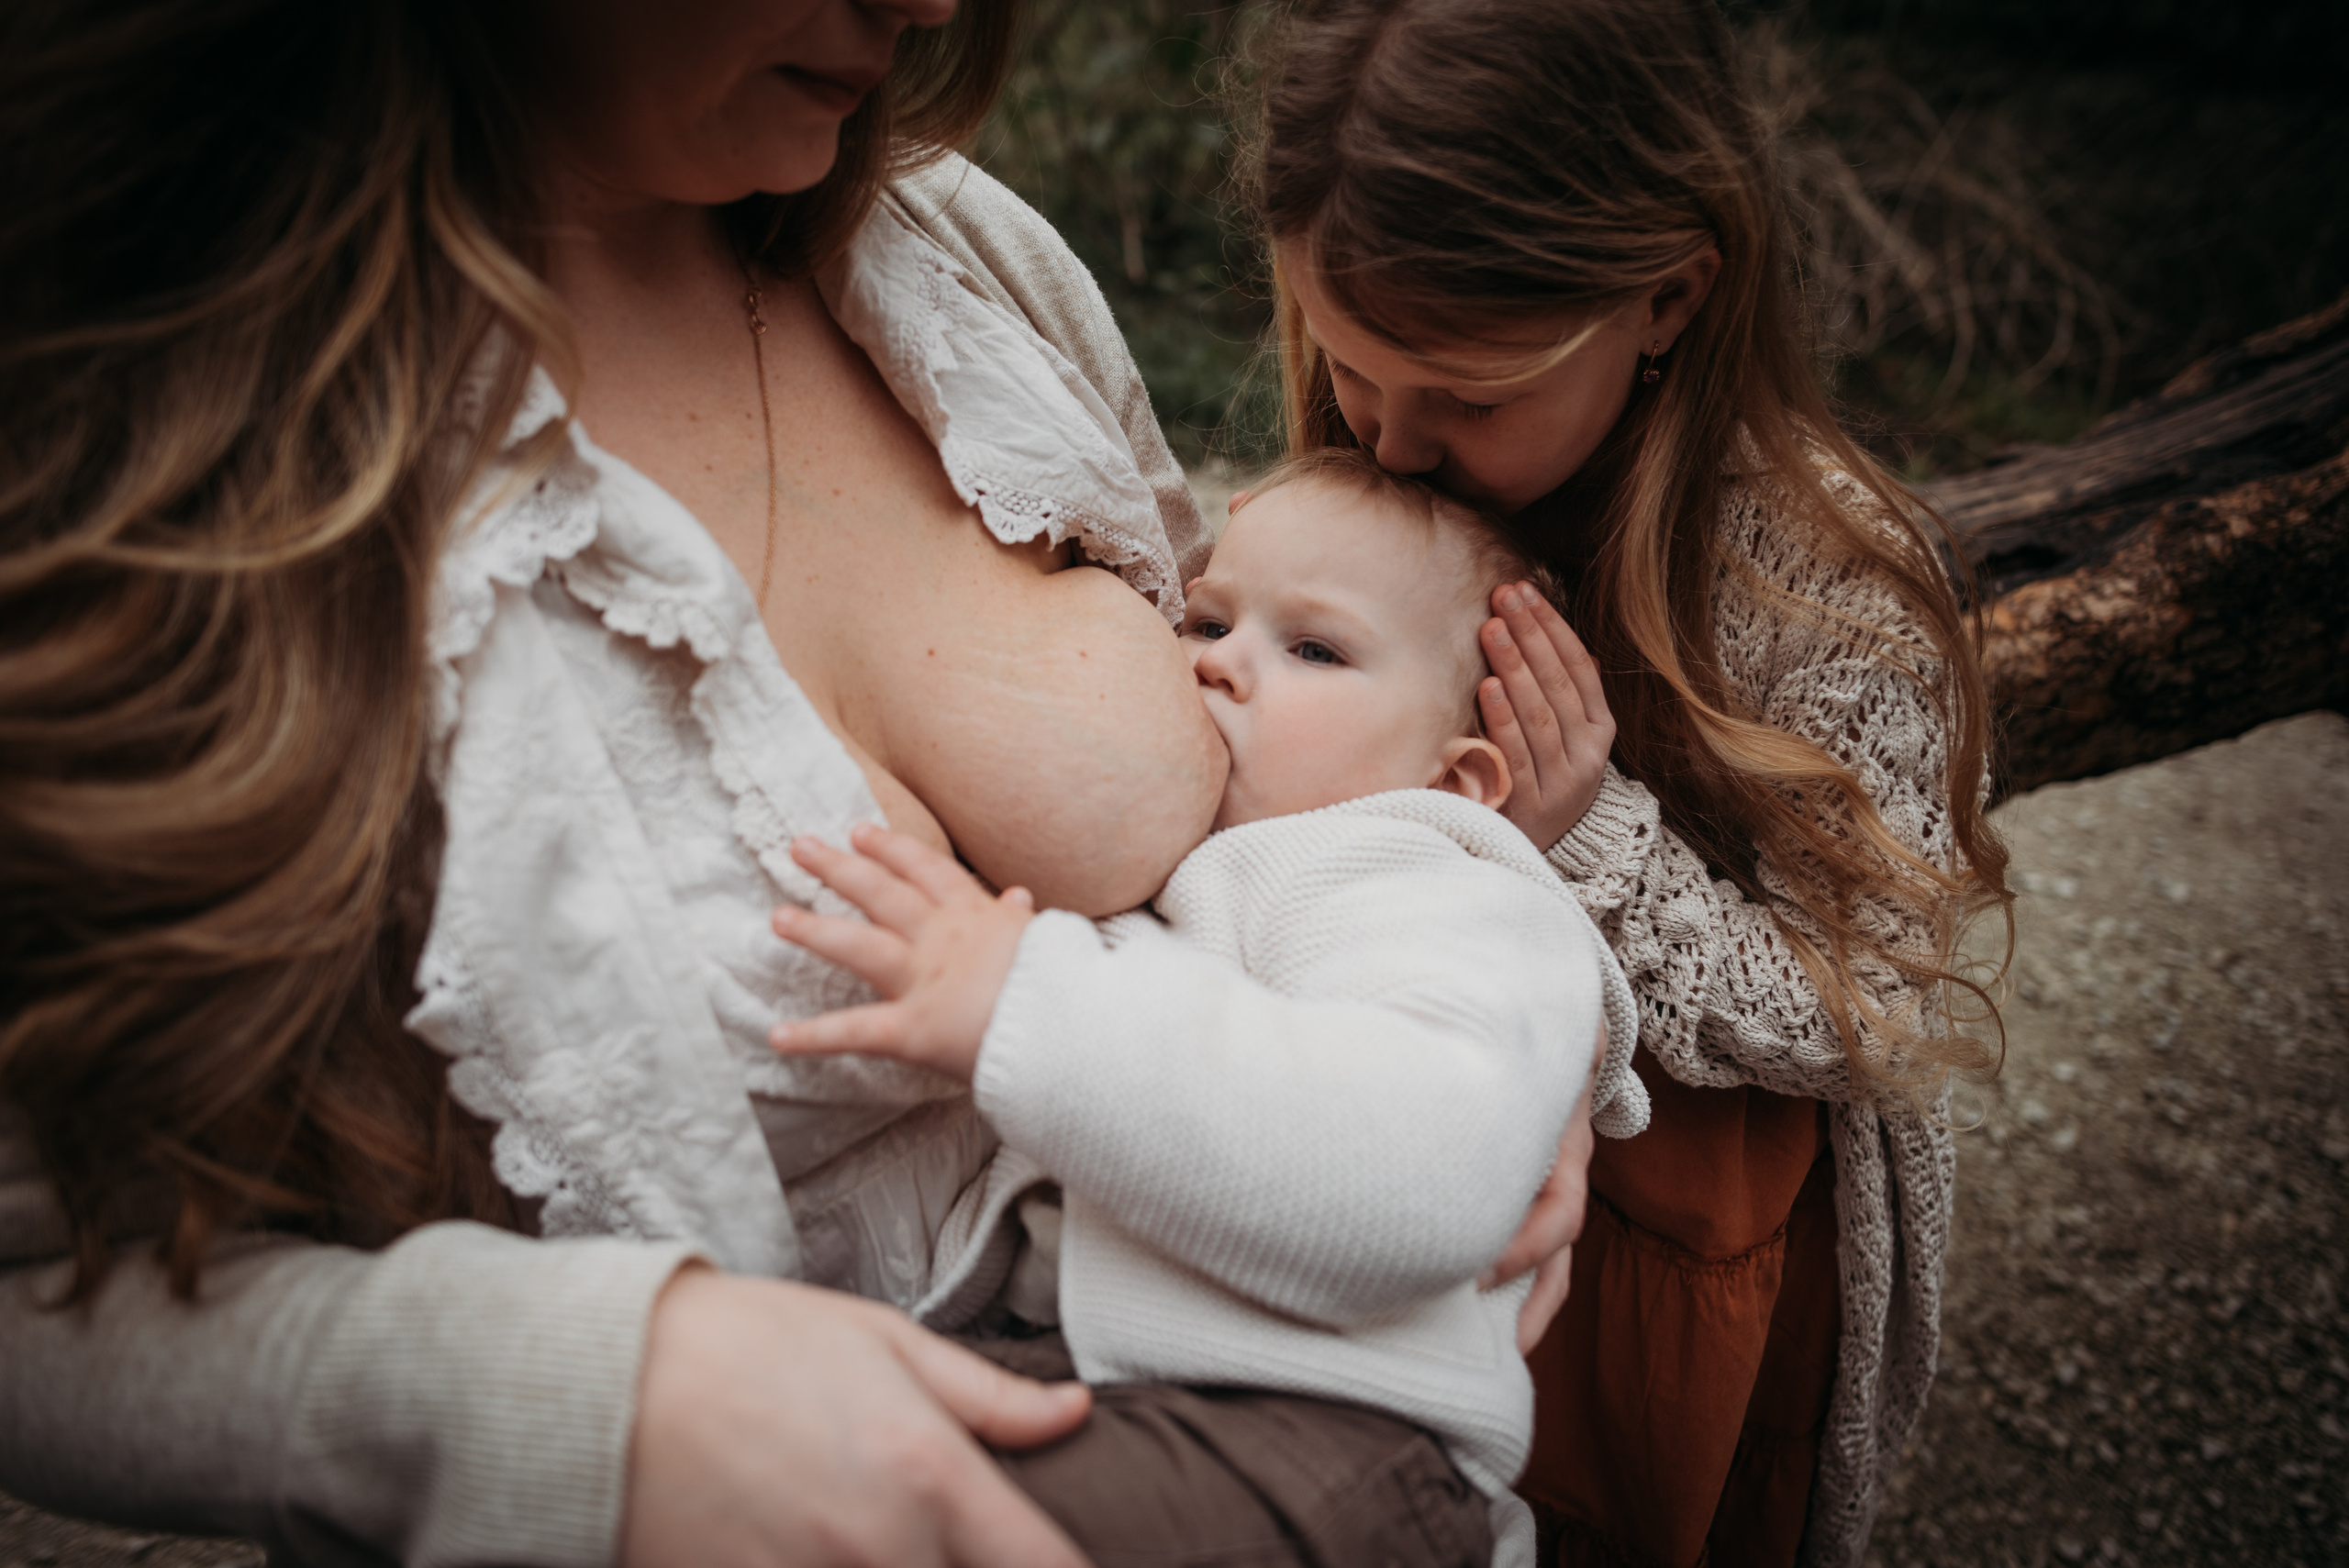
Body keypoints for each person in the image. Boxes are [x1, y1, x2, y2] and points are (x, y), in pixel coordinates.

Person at [0, 3, 1589, 1563]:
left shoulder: (962, 257)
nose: (929, 5)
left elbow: (1289, 730)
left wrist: (1482, 1040)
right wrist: (580, 1387)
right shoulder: (137, 449)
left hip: (1273, 1405)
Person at [1248, 3, 2014, 1564]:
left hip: (1688, 1264)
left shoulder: (1830, 586)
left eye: (1464, 393)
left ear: (1665, 295)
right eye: (1351, 369)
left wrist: (1585, 834)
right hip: (1435, 1167)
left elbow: (1867, 1006)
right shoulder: (1386, 452)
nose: (1390, 443)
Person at [768, 450, 1639, 1568]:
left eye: (1313, 647)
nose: (1221, 664)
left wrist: (1027, 1002)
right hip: (1144, 1389)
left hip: (1319, 1427)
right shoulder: (1222, 868)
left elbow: (1418, 1169)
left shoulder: (1437, 881)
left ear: (1453, 778)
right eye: (1205, 620)